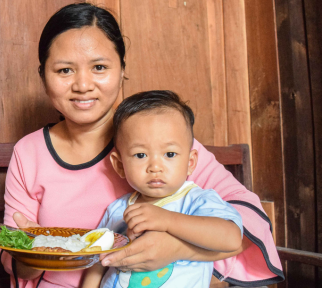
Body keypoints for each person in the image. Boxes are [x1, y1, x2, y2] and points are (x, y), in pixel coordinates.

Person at [2, 3, 283, 288]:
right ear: (43, 77)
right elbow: (16, 263)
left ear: (123, 69)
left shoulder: (156, 139)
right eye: (64, 70)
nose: (83, 85)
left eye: (99, 67)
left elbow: (244, 219)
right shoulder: (29, 153)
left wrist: (176, 248)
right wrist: (32, 251)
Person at [82, 90, 244, 288]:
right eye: (141, 155)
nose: (155, 167)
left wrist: (167, 220)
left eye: (170, 154)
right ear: (120, 165)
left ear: (191, 162)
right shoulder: (117, 210)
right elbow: (97, 261)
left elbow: (232, 238)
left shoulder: (196, 200)